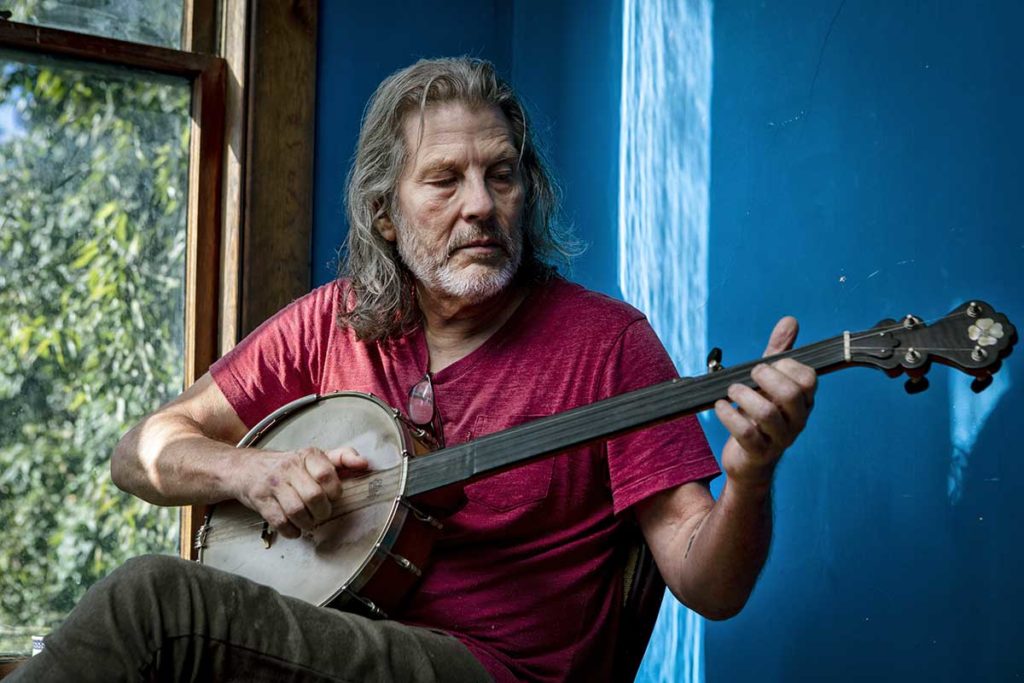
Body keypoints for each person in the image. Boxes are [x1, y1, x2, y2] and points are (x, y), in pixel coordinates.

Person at [10, 57, 817, 682]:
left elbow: (710, 585)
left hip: (492, 669)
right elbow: (142, 451)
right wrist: (251, 471)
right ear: (385, 215)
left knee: (155, 604)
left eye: (501, 175)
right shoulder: (335, 318)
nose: (481, 204)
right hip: (336, 639)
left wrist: (750, 475)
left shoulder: (608, 344)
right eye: (444, 180)